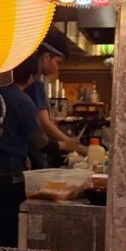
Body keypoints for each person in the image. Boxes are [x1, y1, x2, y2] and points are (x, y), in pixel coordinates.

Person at [0, 54, 46, 247]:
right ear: (30, 75)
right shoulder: (22, 100)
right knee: (8, 231)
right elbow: (38, 140)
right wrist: (63, 145)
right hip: (10, 175)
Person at [26, 30, 89, 164]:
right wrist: (74, 146)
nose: (57, 68)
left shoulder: (32, 82)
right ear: (46, 57)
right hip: (31, 151)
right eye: (58, 62)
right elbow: (44, 123)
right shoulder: (35, 84)